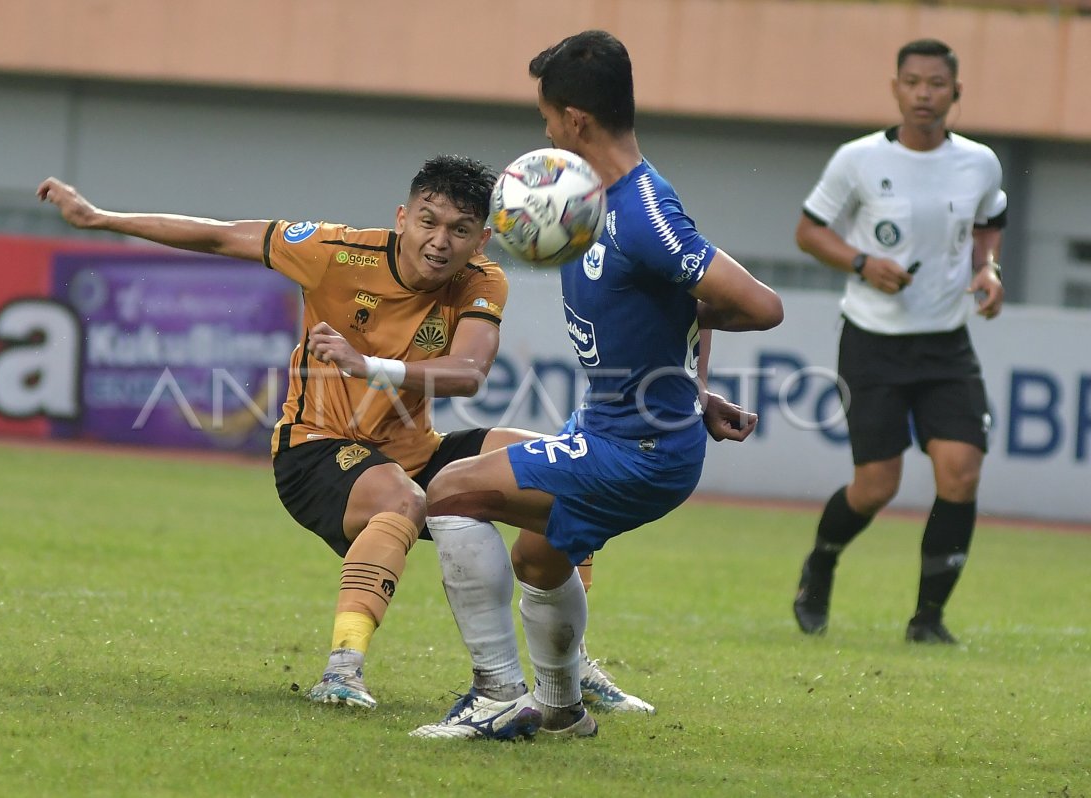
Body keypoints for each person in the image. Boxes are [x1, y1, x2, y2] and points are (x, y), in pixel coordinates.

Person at [35, 156, 656, 724]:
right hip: (315, 447)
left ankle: (570, 667)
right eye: (428, 221)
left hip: (414, 448)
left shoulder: (482, 281)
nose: (440, 242)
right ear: (401, 218)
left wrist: (367, 365)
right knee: (401, 501)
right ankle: (342, 669)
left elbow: (468, 373)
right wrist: (99, 218)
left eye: (460, 229)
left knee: (560, 471)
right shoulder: (333, 251)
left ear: (483, 239)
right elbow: (219, 234)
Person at [411, 30, 783, 739]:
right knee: (539, 558)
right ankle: (562, 712)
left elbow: (760, 304)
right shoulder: (590, 200)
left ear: (576, 120)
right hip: (616, 428)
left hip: (639, 450)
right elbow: (678, 307)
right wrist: (694, 392)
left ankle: (495, 695)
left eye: (548, 117)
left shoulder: (643, 211)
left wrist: (683, 383)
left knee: (451, 489)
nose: (545, 131)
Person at [791, 38, 1007, 645]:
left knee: (960, 472)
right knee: (876, 486)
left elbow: (991, 222)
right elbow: (809, 231)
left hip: (946, 345)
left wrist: (988, 272)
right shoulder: (857, 159)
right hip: (872, 343)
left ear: (955, 92)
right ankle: (822, 562)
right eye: (912, 82)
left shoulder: (980, 163)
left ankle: (928, 619)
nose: (923, 94)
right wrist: (861, 262)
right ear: (895, 88)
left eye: (936, 84)